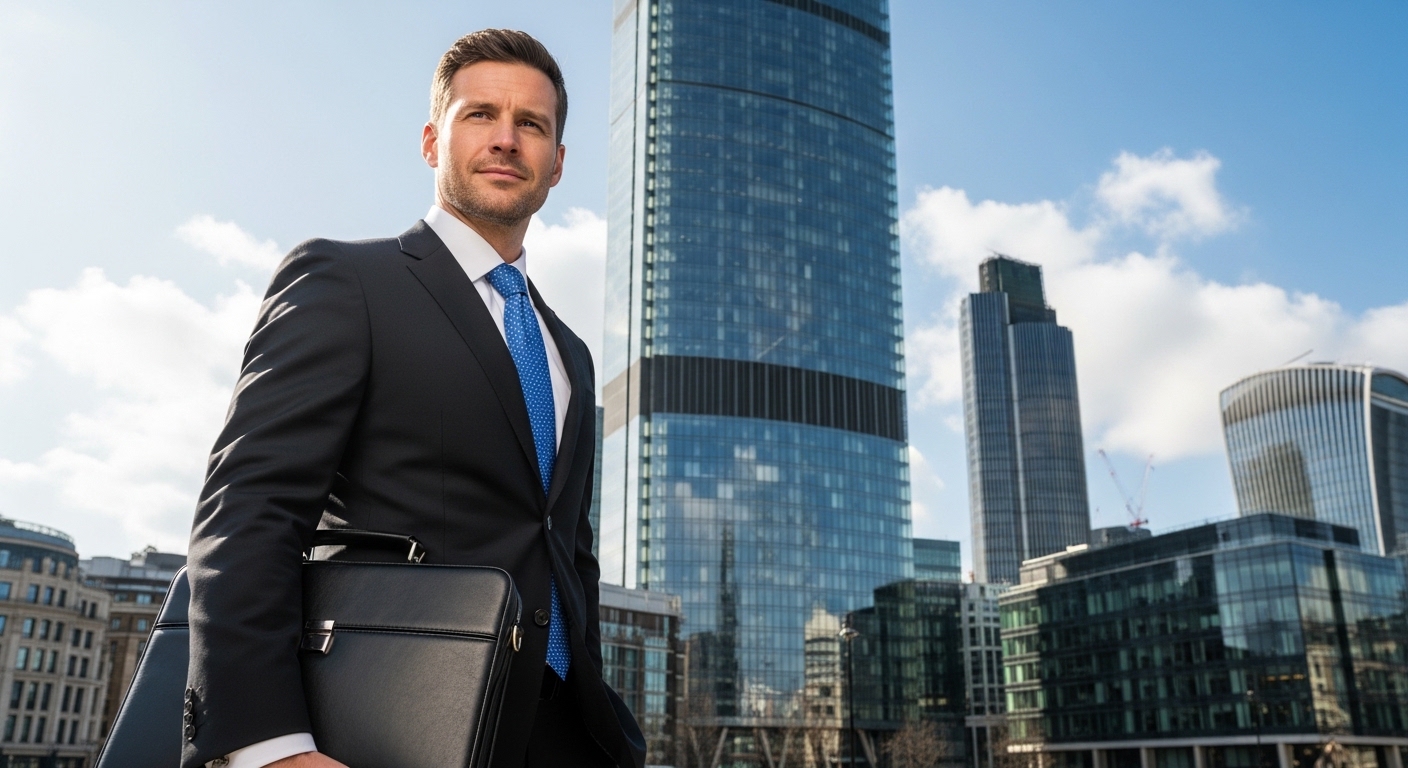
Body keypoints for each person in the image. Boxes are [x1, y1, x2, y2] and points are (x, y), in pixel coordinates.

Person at [182, 29, 643, 768]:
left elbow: (568, 551)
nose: (506, 139)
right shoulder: (346, 283)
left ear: (558, 163)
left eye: (532, 124)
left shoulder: (571, 356)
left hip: (565, 734)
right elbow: (250, 512)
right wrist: (268, 744)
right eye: (479, 115)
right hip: (393, 717)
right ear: (433, 141)